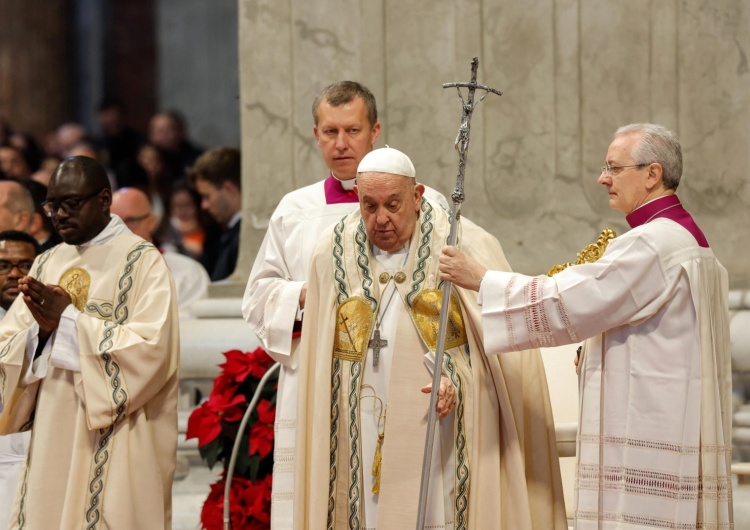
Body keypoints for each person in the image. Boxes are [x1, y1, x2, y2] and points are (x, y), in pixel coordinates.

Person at [438, 123, 733, 530]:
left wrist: (482, 279)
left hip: (648, 429)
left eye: (614, 167)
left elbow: (568, 300)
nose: (602, 178)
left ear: (652, 174)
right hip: (674, 419)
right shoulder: (690, 242)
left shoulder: (652, 244)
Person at [293, 147, 566, 529]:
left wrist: (456, 382)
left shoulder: (460, 243)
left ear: (417, 195)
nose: (381, 219)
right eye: (369, 206)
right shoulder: (332, 251)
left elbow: (498, 355)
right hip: (358, 419)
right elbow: (323, 362)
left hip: (439, 425)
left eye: (393, 204)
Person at [242, 81, 449, 529]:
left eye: (352, 130)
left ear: (374, 131)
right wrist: (306, 294)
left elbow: (446, 294)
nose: (341, 144)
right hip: (322, 380)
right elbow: (259, 296)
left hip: (406, 378)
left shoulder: (426, 206)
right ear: (316, 135)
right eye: (330, 131)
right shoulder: (295, 210)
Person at [0, 156, 180, 529]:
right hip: (53, 429)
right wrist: (43, 332)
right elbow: (8, 344)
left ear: (103, 200)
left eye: (71, 204)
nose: (59, 215)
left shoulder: (143, 263)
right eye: (53, 205)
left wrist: (67, 321)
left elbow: (152, 352)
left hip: (117, 434)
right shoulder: (47, 262)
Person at [110, 186, 209, 316]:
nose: (122, 229)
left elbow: (189, 327)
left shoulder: (188, 273)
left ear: (151, 222)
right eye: (114, 222)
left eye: (131, 221)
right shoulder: (95, 273)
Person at [0, 230, 38, 530]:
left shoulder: (60, 320)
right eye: (3, 266)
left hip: (40, 453)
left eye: (25, 265)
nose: (14, 274)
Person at [190, 147, 242, 281]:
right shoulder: (221, 234)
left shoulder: (243, 238)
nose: (204, 205)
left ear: (228, 188)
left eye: (207, 196)